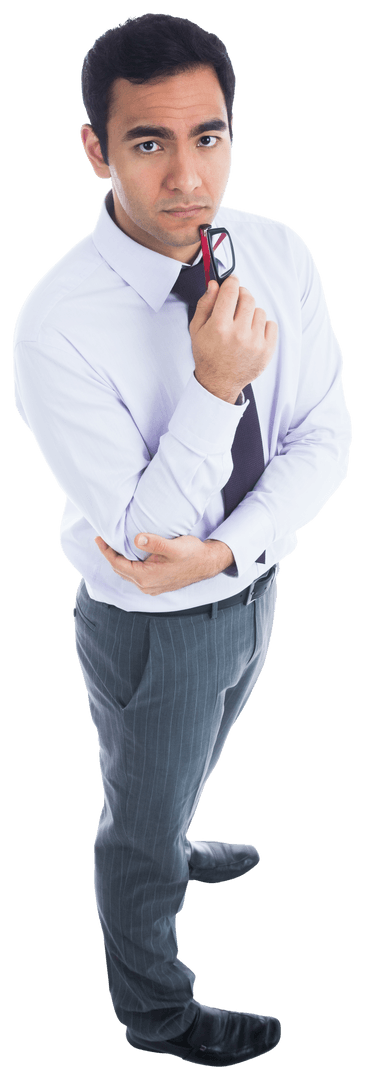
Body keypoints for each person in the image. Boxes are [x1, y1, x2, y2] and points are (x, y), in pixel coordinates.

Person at [12, 12, 352, 1069]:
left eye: (207, 137)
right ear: (95, 149)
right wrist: (214, 387)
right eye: (148, 143)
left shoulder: (277, 250)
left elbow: (324, 435)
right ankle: (156, 1013)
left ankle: (174, 826)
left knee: (193, 756)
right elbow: (145, 543)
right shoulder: (55, 325)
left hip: (253, 588)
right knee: (133, 827)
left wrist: (237, 553)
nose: (186, 175)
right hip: (150, 627)